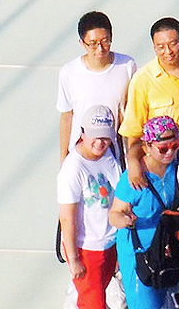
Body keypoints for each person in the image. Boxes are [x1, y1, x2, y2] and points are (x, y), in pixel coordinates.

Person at [111, 115, 179, 309]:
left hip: (165, 250)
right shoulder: (133, 178)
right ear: (148, 148)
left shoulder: (175, 169)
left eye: (174, 146)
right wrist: (126, 220)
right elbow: (114, 214)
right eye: (163, 149)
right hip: (139, 254)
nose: (170, 153)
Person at [57, 103, 123, 309]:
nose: (100, 142)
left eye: (105, 136)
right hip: (87, 249)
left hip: (109, 243)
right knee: (93, 304)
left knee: (98, 298)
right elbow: (67, 218)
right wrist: (74, 259)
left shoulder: (109, 153)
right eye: (95, 136)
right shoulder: (73, 169)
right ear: (82, 133)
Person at [59, 10, 138, 159]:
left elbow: (131, 111)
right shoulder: (69, 72)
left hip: (115, 152)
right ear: (82, 43)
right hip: (81, 153)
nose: (100, 49)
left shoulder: (127, 65)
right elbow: (67, 116)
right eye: (93, 44)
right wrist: (64, 157)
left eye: (105, 41)